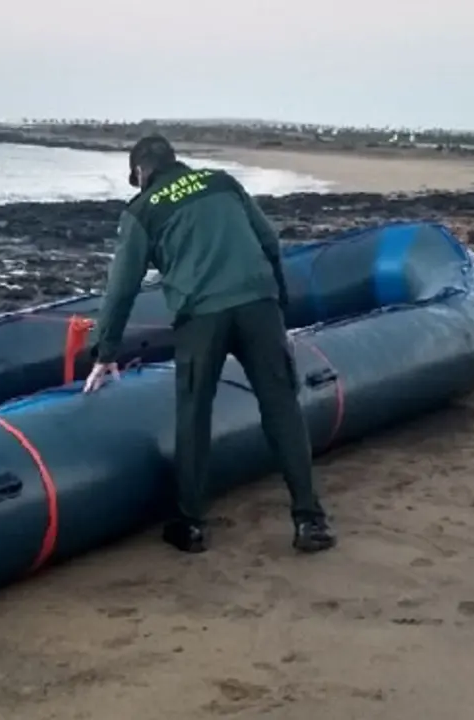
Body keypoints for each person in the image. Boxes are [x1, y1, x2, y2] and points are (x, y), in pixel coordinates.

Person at [83, 134, 335, 555]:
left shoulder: (141, 210)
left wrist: (105, 351)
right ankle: (309, 519)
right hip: (258, 304)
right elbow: (269, 240)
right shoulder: (221, 181)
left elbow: (122, 287)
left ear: (141, 172)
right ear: (174, 160)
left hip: (201, 316)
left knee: (194, 414)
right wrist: (278, 306)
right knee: (282, 407)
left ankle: (191, 525)